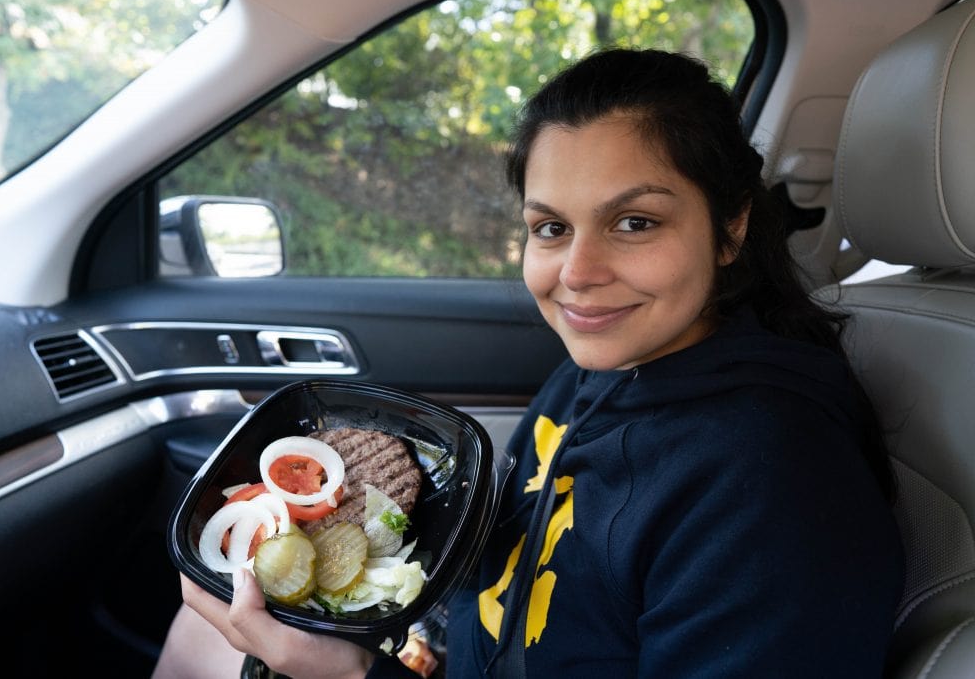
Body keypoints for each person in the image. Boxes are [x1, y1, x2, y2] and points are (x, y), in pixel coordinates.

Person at [153, 48, 903, 678]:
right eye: (551, 227)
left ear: (731, 228)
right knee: (200, 632)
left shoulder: (770, 484)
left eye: (634, 222)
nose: (577, 271)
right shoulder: (597, 373)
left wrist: (354, 674)